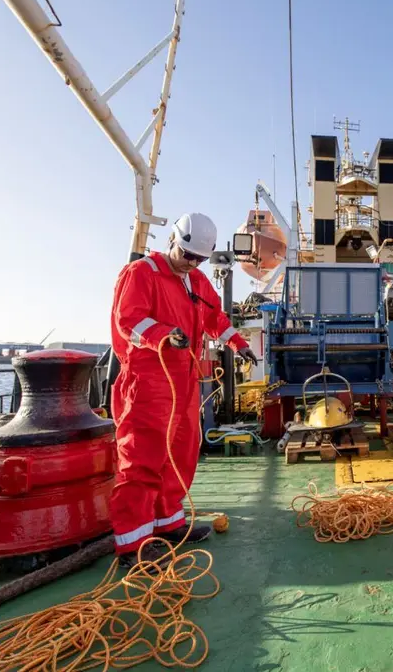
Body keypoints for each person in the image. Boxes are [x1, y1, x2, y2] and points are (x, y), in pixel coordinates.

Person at [109, 212, 258, 566]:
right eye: (187, 255)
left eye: (199, 259)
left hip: (185, 381)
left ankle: (168, 522)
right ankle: (134, 544)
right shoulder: (141, 273)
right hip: (149, 379)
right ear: (172, 240)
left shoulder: (196, 282)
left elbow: (214, 319)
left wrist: (238, 343)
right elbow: (127, 320)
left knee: (181, 452)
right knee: (142, 457)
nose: (191, 263)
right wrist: (163, 335)